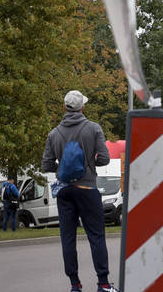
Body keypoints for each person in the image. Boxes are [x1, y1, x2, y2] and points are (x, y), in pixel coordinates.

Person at [42, 89, 118, 292]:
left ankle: (75, 285)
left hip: (65, 190)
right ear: (82, 107)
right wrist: (89, 162)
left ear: (64, 107)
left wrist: (63, 166)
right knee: (96, 236)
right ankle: (103, 283)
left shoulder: (53, 134)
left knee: (67, 238)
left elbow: (46, 165)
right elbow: (105, 158)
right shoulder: (93, 129)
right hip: (87, 188)